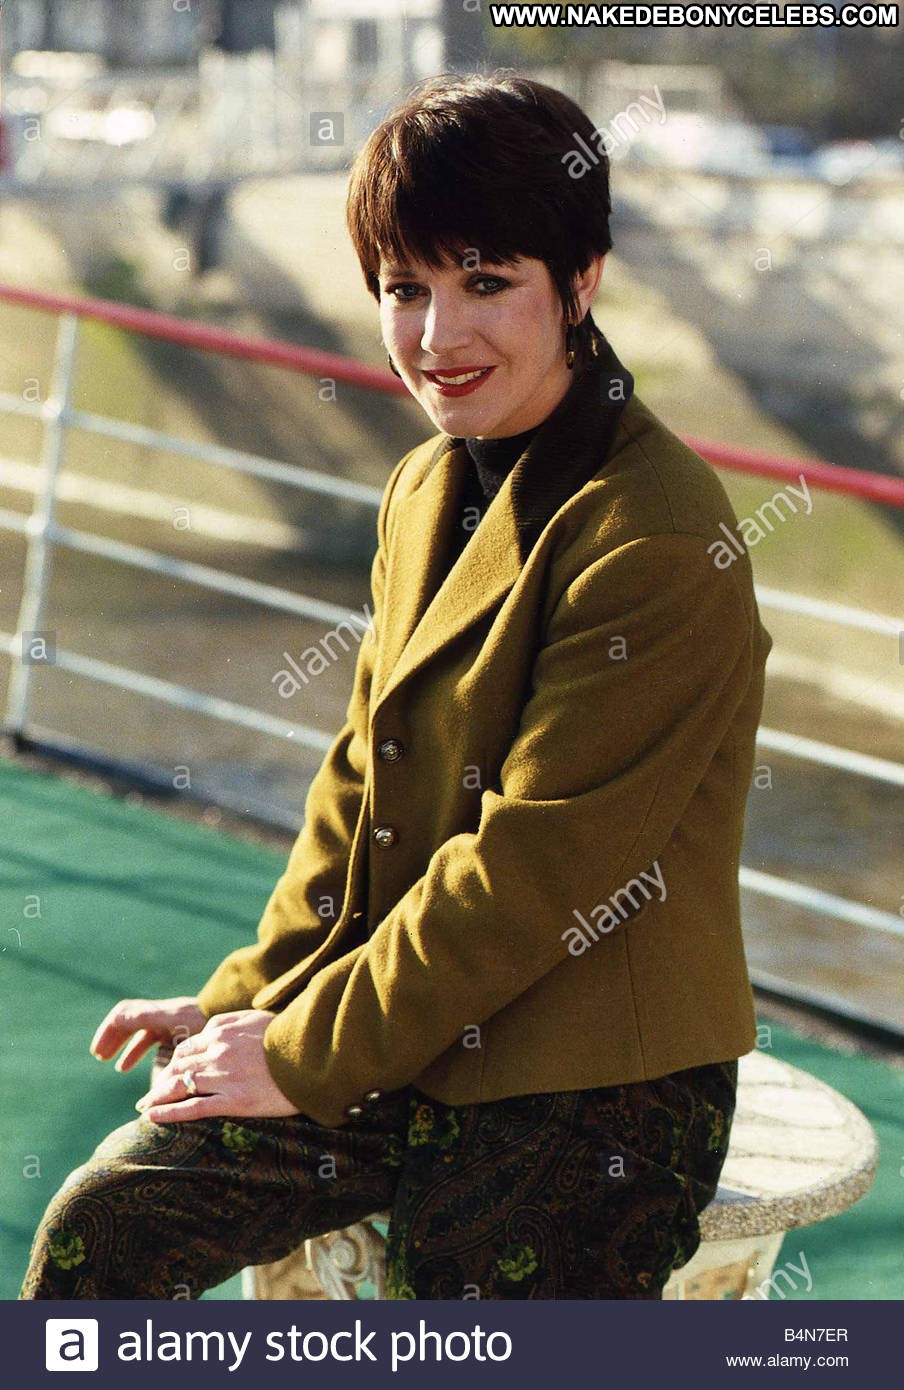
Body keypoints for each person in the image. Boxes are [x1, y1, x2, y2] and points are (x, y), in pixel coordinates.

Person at [20, 72, 772, 1302]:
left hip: (594, 1076)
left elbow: (536, 869)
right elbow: (361, 783)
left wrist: (300, 1052)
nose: (436, 338)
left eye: (486, 283)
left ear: (580, 282)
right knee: (109, 1226)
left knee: (465, 1302)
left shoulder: (656, 539)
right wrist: (242, 1002)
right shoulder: (425, 484)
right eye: (404, 289)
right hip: (400, 1019)